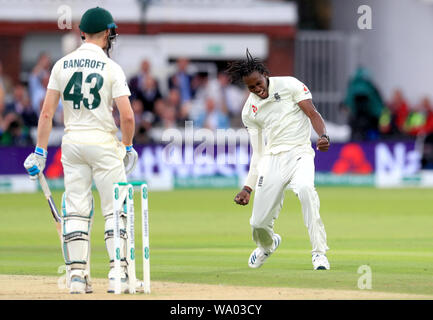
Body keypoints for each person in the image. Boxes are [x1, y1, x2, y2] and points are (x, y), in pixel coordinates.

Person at [23, 7, 140, 294]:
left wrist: (40, 151)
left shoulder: (61, 65)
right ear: (108, 34)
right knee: (115, 209)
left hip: (72, 144)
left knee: (76, 208)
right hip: (103, 143)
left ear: (82, 33)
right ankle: (117, 274)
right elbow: (126, 117)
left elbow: (47, 114)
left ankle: (77, 276)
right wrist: (128, 147)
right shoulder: (112, 68)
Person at [227, 49, 331, 270]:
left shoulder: (290, 85)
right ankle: (267, 244)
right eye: (251, 87)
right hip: (272, 159)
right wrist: (247, 187)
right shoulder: (249, 111)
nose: (257, 90)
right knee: (257, 223)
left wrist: (322, 136)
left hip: (299, 152)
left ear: (265, 75)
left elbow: (313, 114)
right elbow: (258, 152)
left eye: (258, 83)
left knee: (305, 189)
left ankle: (319, 253)